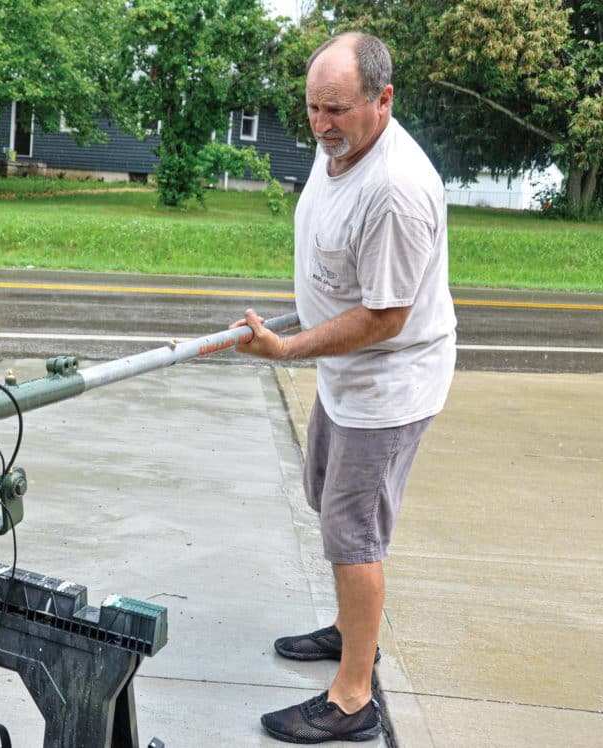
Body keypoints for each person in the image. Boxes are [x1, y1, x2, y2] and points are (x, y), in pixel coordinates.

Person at [232, 32, 457, 744]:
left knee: (353, 534)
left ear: (383, 100)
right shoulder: (344, 147)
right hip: (346, 374)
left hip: (386, 383)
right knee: (324, 499)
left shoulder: (396, 189)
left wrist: (288, 348)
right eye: (312, 108)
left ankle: (355, 696)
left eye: (337, 109)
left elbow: (387, 316)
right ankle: (347, 632)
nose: (322, 124)